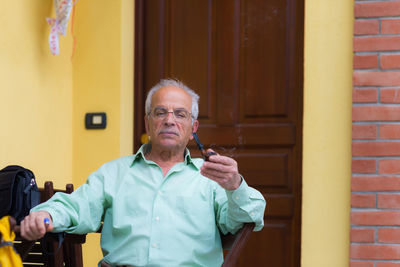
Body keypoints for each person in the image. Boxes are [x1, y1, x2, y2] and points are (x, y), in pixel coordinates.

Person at [20, 79, 266, 267]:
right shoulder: (114, 172)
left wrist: (235, 184)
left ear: (194, 128)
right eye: (160, 112)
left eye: (180, 114)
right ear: (148, 123)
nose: (170, 120)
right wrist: (44, 217)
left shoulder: (211, 178)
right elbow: (76, 207)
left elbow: (248, 217)